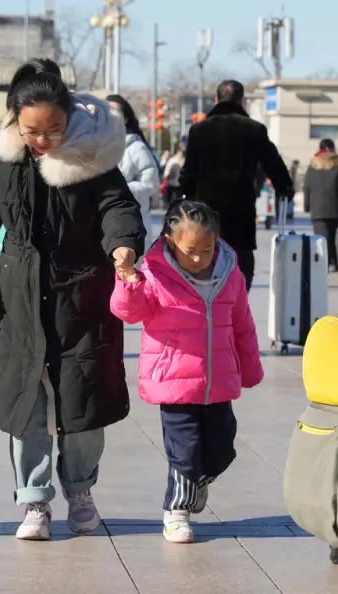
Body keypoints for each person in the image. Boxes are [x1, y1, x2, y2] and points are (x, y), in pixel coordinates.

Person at [0, 58, 146, 541]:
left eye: (54, 130)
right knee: (27, 403)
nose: (43, 140)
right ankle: (35, 501)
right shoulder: (1, 156)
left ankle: (80, 492)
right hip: (20, 296)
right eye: (32, 131)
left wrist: (122, 244)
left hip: (82, 294)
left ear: (69, 117)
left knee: (83, 403)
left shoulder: (92, 156)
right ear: (15, 122)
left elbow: (118, 207)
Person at [109, 200, 264, 544]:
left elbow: (243, 325)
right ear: (169, 240)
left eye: (206, 250)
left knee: (223, 450)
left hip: (218, 380)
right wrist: (129, 280)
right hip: (174, 381)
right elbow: (128, 312)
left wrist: (250, 369)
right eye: (190, 251)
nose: (198, 259)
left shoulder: (230, 273)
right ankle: (176, 512)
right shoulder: (152, 273)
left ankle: (196, 483)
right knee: (185, 450)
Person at [179, 79, 293, 292]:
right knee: (240, 263)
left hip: (205, 211)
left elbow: (189, 172)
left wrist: (183, 194)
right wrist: (285, 188)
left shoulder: (199, 130)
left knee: (205, 258)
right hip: (240, 208)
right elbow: (273, 163)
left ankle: (208, 307)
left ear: (216, 99)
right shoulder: (254, 130)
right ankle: (236, 306)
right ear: (241, 100)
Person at [107, 94, 161, 253]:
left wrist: (121, 190)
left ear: (125, 118)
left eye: (115, 111)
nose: (110, 115)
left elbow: (152, 184)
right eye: (106, 110)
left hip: (131, 222)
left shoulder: (136, 148)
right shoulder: (96, 145)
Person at [302, 139, 338, 272]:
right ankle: (334, 262)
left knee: (321, 238)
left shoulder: (312, 166)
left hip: (317, 209)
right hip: (335, 208)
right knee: (335, 237)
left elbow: (307, 188)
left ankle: (323, 262)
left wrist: (307, 205)